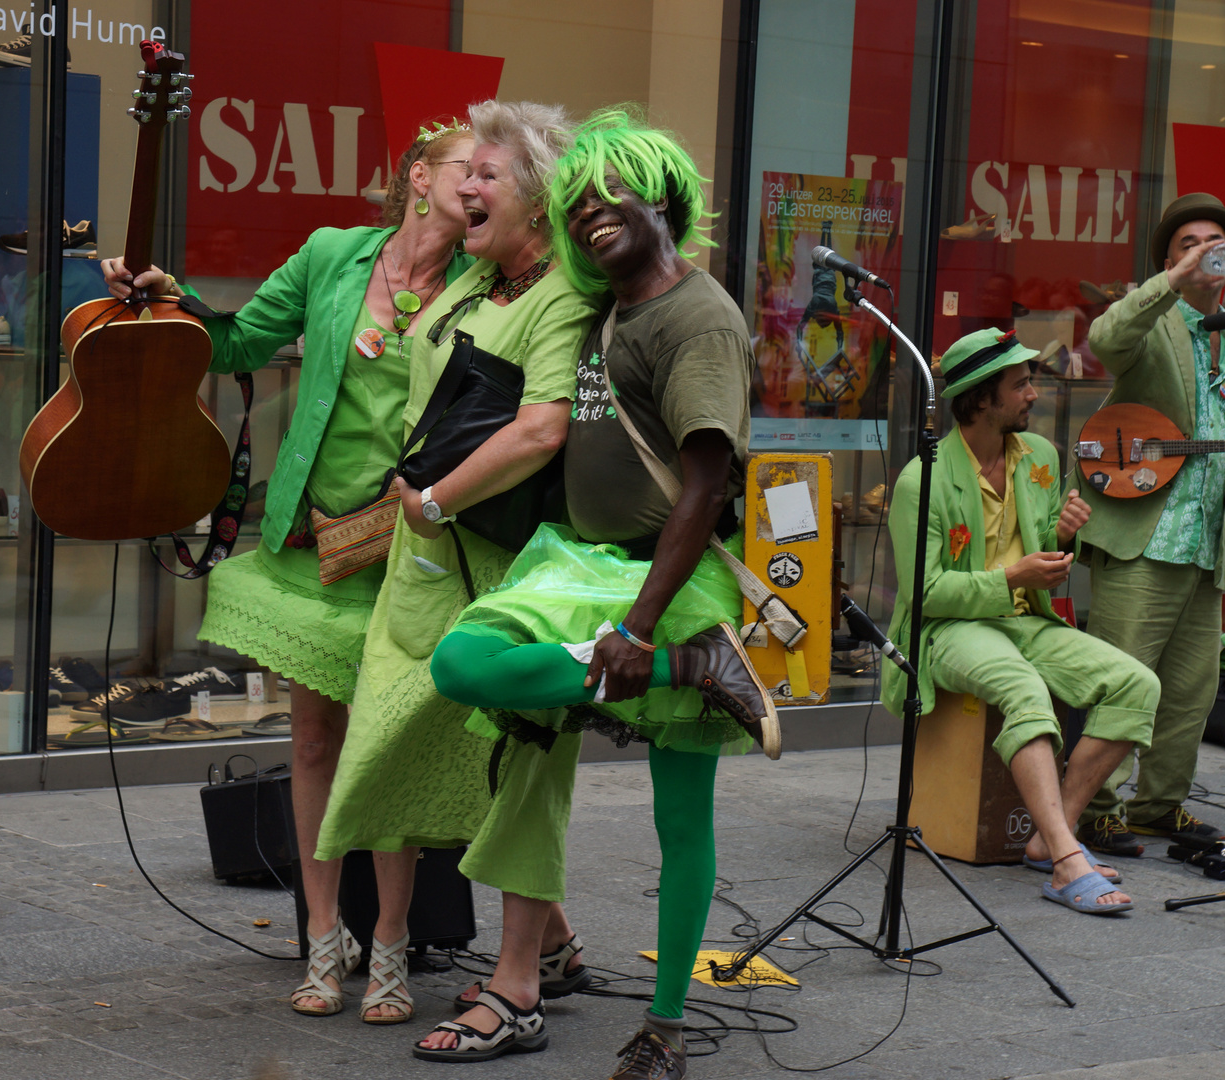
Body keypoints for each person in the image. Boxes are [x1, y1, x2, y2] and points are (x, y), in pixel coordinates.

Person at [422, 110, 778, 1076]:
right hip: (576, 566)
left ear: (662, 195)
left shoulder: (698, 315)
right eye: (576, 205)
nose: (591, 215)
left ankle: (662, 1029)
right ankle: (689, 671)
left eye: (610, 194)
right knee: (463, 663)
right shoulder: (604, 309)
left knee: (680, 815)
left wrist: (639, 624)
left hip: (661, 576)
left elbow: (707, 485)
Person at [102, 122, 477, 1020]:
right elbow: (236, 344)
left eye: (499, 177)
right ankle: (321, 936)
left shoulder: (489, 281)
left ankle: (389, 940)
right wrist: (169, 300)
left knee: (388, 749)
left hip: (410, 546)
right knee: (313, 743)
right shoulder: (333, 257)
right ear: (420, 177)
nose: (487, 186)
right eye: (475, 168)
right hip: (313, 545)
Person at [313, 100, 599, 1028]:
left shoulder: (561, 297)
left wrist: (435, 501)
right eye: (461, 171)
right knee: (398, 744)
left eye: (487, 175)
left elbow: (542, 428)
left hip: (499, 567)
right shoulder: (475, 286)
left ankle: (516, 973)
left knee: (509, 757)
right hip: (418, 565)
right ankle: (542, 943)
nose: (463, 187)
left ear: (540, 201)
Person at [880, 327, 1158, 915]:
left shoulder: (1039, 458)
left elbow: (1040, 556)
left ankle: (1049, 835)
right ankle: (1064, 858)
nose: (1034, 394)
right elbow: (926, 593)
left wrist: (1061, 539)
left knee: (1137, 685)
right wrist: (1012, 579)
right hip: (945, 630)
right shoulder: (920, 480)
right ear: (982, 398)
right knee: (1024, 689)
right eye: (1021, 383)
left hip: (1026, 619)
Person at [1076, 192, 1225, 857]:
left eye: (1213, 242)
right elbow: (1104, 339)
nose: (1201, 251)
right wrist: (1171, 284)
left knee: (1191, 695)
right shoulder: (1152, 323)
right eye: (1186, 243)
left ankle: (1159, 807)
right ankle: (1093, 810)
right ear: (1168, 261)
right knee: (1122, 681)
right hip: (1143, 540)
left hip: (1205, 549)